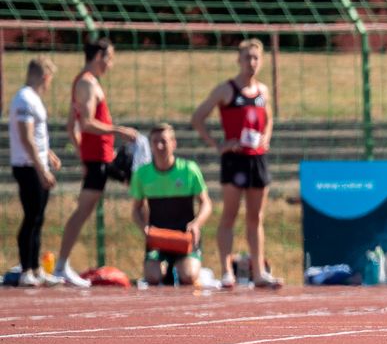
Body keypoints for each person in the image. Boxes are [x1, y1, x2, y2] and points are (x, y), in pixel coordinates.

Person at [189, 37, 281, 289]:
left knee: (256, 217)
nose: (251, 63)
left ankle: (259, 272)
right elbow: (198, 117)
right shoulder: (226, 89)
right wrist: (218, 144)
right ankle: (226, 270)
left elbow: (269, 118)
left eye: (256, 58)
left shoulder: (263, 91)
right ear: (238, 60)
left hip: (257, 159)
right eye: (247, 58)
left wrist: (266, 138)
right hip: (234, 159)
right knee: (229, 215)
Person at [53, 39, 140, 288]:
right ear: (99, 56)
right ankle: (60, 265)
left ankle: (61, 264)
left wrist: (82, 152)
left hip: (101, 157)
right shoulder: (87, 83)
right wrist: (117, 130)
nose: (110, 64)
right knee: (82, 211)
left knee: (139, 189)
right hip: (98, 158)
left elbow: (72, 126)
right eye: (109, 58)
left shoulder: (84, 82)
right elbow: (87, 123)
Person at [129, 123, 211, 287]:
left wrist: (196, 224)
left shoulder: (188, 170)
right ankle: (168, 272)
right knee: (152, 277)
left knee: (188, 276)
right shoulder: (142, 174)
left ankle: (191, 269)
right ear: (150, 145)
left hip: (184, 236)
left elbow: (206, 203)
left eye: (164, 141)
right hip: (158, 239)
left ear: (174, 143)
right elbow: (136, 209)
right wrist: (144, 227)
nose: (159, 146)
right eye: (155, 142)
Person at [10, 56, 60, 287]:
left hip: (37, 163)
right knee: (31, 217)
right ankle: (26, 269)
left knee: (38, 218)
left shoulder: (33, 99)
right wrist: (41, 170)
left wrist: (48, 155)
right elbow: (26, 137)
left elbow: (38, 137)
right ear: (45, 77)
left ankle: (36, 268)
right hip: (28, 167)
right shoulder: (25, 98)